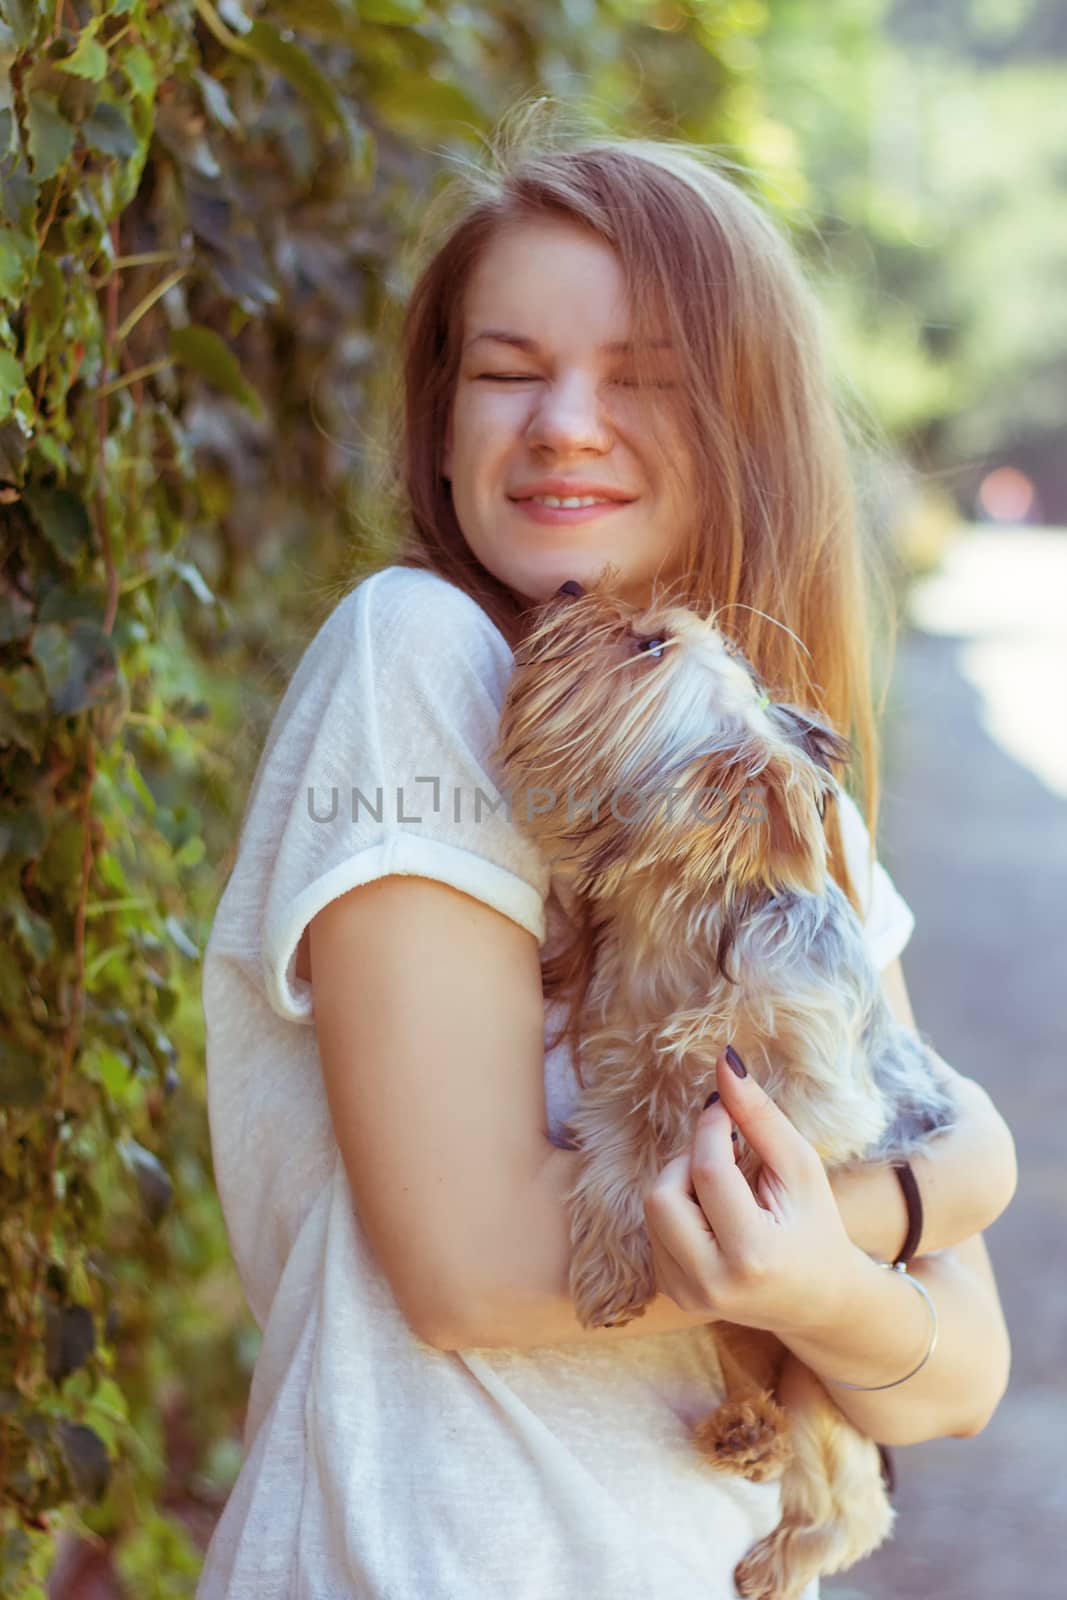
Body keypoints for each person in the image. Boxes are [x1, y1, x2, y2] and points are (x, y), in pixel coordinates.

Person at [196, 104, 1016, 1600]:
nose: (563, 421)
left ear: (743, 429)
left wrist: (842, 1267)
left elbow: (960, 1375)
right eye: (508, 373)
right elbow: (471, 1269)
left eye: (640, 381)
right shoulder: (421, 656)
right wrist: (916, 1204)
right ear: (442, 430)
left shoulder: (783, 791)